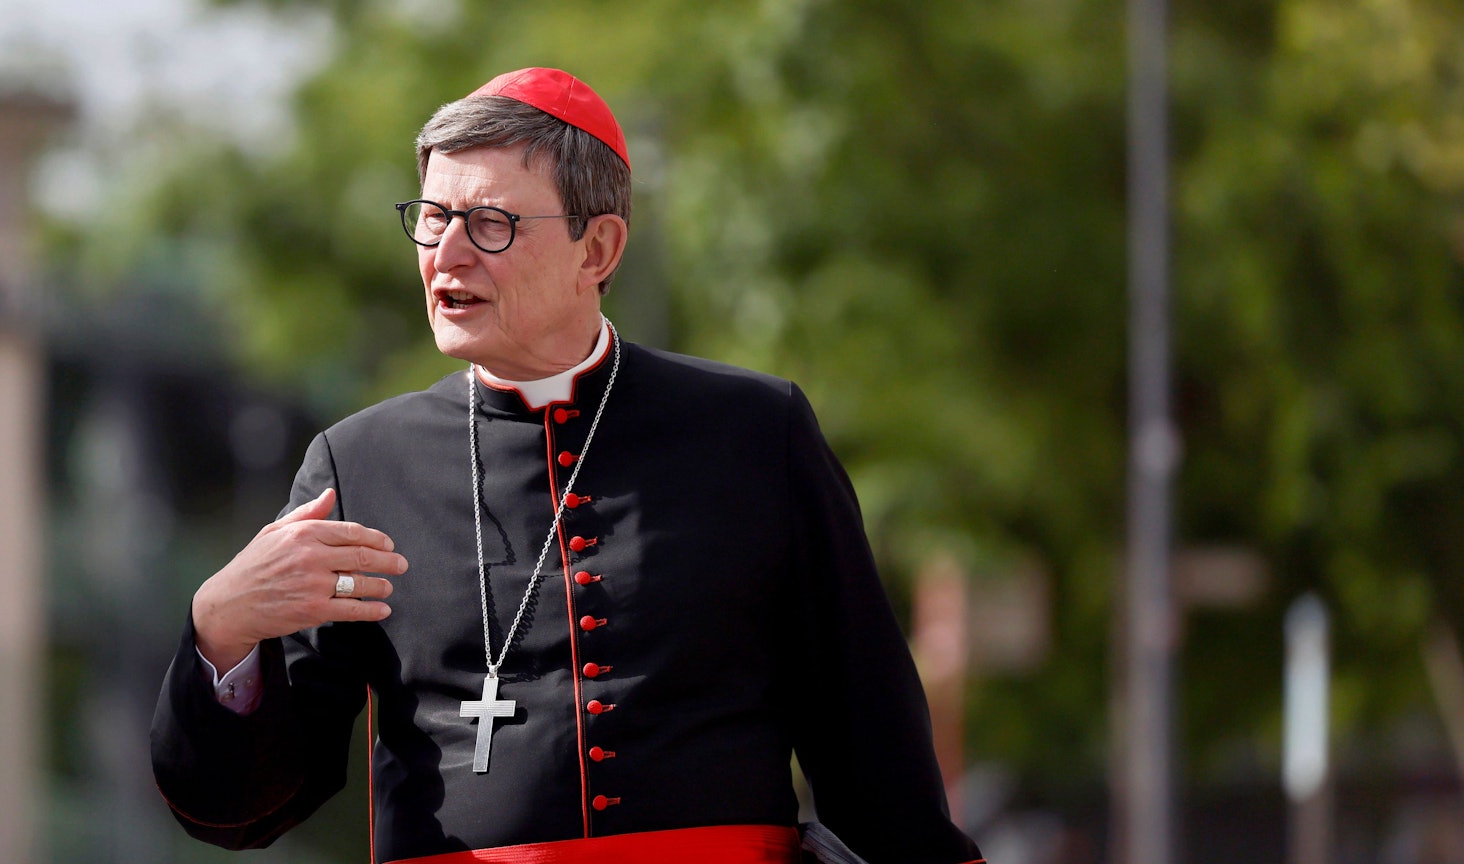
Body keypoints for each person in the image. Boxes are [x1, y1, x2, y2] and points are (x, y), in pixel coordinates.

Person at [151, 67, 984, 864]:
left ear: (598, 249)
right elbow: (246, 809)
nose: (447, 254)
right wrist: (222, 631)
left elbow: (871, 741)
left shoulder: (755, 435)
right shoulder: (360, 467)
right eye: (433, 218)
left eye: (490, 223)